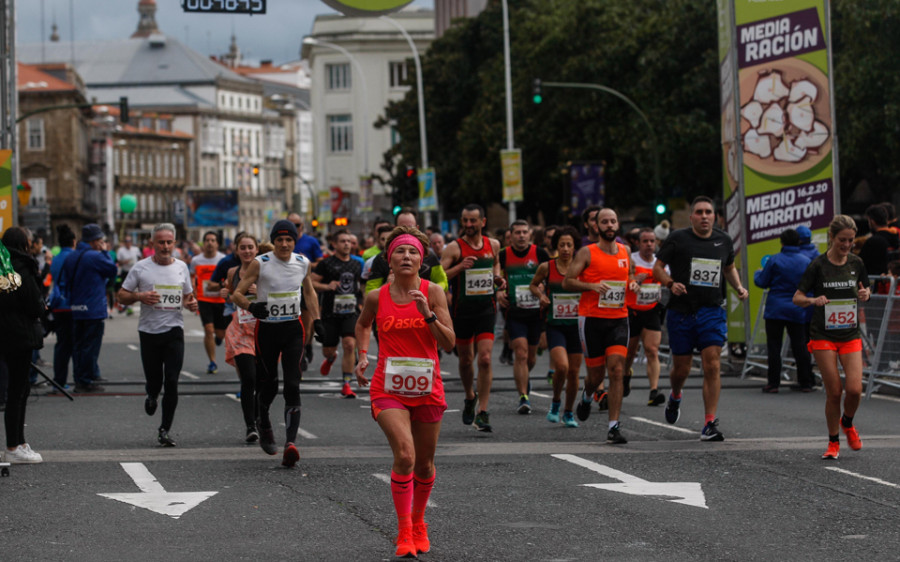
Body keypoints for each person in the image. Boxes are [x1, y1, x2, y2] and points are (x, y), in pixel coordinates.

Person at [354, 226, 455, 558]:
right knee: (406, 456)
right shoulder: (376, 297)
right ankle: (402, 531)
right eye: (400, 252)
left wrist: (427, 314)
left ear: (422, 259)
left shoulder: (434, 292)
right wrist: (363, 354)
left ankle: (418, 521)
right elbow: (364, 323)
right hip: (388, 388)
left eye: (413, 252)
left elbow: (450, 343)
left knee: (425, 465)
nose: (407, 257)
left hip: (428, 388)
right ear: (389, 259)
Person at [653, 196, 749, 441]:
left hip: (711, 310)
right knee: (681, 368)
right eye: (699, 212)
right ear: (692, 217)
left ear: (714, 216)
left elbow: (729, 267)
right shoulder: (678, 239)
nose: (704, 216)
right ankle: (676, 394)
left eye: (708, 212)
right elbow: (658, 267)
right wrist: (670, 283)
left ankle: (709, 423)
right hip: (681, 312)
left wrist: (738, 286)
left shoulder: (724, 240)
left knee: (712, 364)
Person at [232, 220, 323, 468]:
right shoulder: (260, 264)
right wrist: (252, 306)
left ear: (295, 242)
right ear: (273, 241)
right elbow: (236, 294)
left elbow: (310, 292)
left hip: (293, 329)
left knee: (293, 383)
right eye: (279, 239)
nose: (284, 244)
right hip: (267, 331)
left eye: (289, 240)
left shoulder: (302, 262)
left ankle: (290, 444)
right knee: (269, 384)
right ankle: (263, 421)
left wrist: (317, 320)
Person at [793, 215, 871, 460]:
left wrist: (865, 293)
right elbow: (798, 297)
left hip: (849, 334)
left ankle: (847, 422)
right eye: (842, 240)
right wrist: (813, 300)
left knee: (855, 390)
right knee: (835, 392)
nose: (846, 245)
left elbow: (865, 290)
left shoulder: (857, 263)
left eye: (850, 241)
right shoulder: (818, 265)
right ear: (832, 238)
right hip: (823, 335)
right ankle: (833, 442)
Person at [118, 223, 198, 447]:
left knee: (172, 381)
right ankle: (152, 394)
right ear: (152, 244)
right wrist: (140, 296)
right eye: (160, 242)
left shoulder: (182, 267)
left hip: (174, 331)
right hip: (149, 332)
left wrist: (191, 304)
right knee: (155, 381)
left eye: (169, 242)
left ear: (174, 243)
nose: (165, 246)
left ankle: (164, 429)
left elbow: (188, 297)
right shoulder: (140, 268)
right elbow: (121, 296)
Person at [564, 208, 638, 444]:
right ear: (596, 226)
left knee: (617, 369)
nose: (609, 225)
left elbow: (631, 276)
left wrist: (634, 285)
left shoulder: (626, 251)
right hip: (592, 320)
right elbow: (568, 281)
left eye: (613, 221)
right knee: (595, 376)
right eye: (604, 221)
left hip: (619, 318)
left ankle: (613, 426)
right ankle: (587, 396)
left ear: (618, 225)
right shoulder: (587, 252)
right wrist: (591, 287)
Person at [441, 204, 505, 432]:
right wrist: (459, 267)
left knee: (485, 359)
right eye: (465, 220)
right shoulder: (454, 248)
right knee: (466, 360)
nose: (468, 225)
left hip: (486, 309)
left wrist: (498, 279)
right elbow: (438, 276)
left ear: (482, 222)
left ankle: (483, 411)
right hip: (462, 312)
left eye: (473, 221)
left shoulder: (493, 245)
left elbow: (495, 263)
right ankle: (470, 395)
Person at [0, 227, 47, 463]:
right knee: (19, 390)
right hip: (18, 333)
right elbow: (33, 303)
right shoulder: (22, 267)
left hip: (2, 331)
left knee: (14, 390)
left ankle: (18, 443)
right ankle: (14, 445)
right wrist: (42, 307)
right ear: (24, 245)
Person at [530, 225, 583, 427]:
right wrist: (542, 296)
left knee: (574, 372)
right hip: (556, 325)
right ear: (556, 246)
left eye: (570, 245)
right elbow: (533, 285)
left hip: (577, 326)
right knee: (562, 366)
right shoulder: (547, 267)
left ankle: (568, 412)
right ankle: (555, 402)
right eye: (562, 245)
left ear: (575, 247)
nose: (566, 249)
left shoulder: (581, 267)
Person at [498, 220, 550, 414]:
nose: (521, 236)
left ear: (530, 234)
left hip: (536, 312)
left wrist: (544, 288)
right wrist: (498, 291)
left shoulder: (540, 254)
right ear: (511, 236)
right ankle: (523, 396)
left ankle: (524, 379)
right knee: (520, 353)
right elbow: (495, 275)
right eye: (517, 232)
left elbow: (550, 276)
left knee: (531, 358)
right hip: (515, 312)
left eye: (524, 232)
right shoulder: (503, 255)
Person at [753, 229, 815, 392]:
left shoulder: (774, 260)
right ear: (799, 242)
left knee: (774, 346)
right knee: (800, 345)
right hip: (797, 307)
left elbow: (762, 282)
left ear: (781, 242)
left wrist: (757, 273)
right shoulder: (806, 261)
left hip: (776, 308)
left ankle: (773, 383)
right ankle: (806, 382)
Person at [223, 233, 267, 443]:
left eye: (251, 247)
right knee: (248, 378)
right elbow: (231, 294)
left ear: (257, 249)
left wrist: (260, 291)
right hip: (240, 330)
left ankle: (260, 419)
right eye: (243, 247)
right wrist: (226, 293)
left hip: (263, 329)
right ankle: (250, 425)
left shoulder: (266, 270)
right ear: (237, 250)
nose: (247, 251)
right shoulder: (233, 272)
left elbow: (279, 294)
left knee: (262, 380)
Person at [65, 224, 118, 393]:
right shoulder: (94, 256)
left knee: (79, 346)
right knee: (90, 346)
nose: (102, 243)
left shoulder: (73, 256)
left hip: (76, 306)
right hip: (93, 307)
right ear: (94, 241)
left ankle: (81, 377)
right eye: (100, 240)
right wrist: (105, 252)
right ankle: (86, 380)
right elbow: (112, 269)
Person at [310, 229, 363, 398]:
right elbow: (310, 283)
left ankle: (346, 384)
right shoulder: (326, 264)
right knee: (328, 350)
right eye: (343, 241)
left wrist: (362, 303)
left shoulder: (357, 263)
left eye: (349, 241)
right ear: (334, 244)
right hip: (330, 313)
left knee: (349, 344)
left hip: (350, 311)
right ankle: (331, 358)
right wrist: (327, 286)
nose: (347, 244)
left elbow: (360, 285)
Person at [624, 228, 668, 406]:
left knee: (652, 350)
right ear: (638, 243)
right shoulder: (631, 260)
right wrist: (635, 281)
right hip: (632, 311)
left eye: (652, 241)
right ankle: (626, 375)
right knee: (630, 352)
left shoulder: (661, 262)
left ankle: (654, 391)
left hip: (651, 311)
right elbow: (623, 280)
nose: (649, 245)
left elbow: (667, 280)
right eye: (645, 241)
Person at [191, 231, 227, 374]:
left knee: (221, 333)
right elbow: (192, 278)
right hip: (204, 299)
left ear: (217, 244)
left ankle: (219, 338)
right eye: (207, 240)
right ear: (203, 243)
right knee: (208, 330)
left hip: (220, 299)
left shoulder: (223, 260)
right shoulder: (196, 261)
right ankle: (212, 362)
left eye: (213, 240)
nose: (210, 243)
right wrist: (193, 292)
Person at [48, 224, 77, 389]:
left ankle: (59, 380)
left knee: (61, 344)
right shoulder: (75, 257)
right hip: (73, 304)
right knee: (76, 344)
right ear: (73, 241)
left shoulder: (56, 258)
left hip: (58, 304)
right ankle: (79, 378)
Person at [859, 204, 899, 276]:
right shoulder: (896, 237)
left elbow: (860, 264)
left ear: (872, 221)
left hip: (879, 284)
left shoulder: (873, 241)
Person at [116, 236, 142, 315]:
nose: (128, 242)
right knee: (125, 289)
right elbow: (118, 262)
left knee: (133, 290)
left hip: (134, 271)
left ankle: (130, 307)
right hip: (125, 271)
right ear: (124, 242)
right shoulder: (121, 250)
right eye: (126, 241)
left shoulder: (135, 249)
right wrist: (124, 262)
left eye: (129, 241)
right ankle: (123, 305)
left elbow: (140, 257)